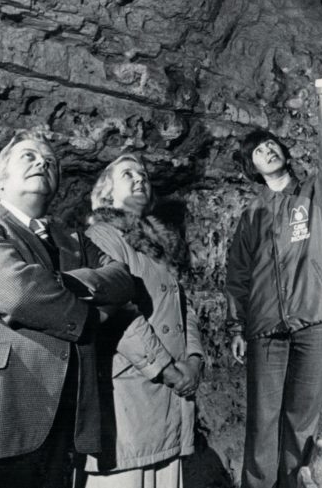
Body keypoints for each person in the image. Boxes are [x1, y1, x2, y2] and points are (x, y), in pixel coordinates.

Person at [0, 128, 134, 488]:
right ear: (0, 176)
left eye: (50, 162)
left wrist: (65, 282)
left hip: (60, 424)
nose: (41, 163)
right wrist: (92, 316)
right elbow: (18, 292)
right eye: (29, 156)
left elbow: (122, 278)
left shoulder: (74, 241)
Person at [225, 110, 322, 488]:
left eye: (270, 144)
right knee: (262, 421)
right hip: (265, 330)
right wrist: (236, 325)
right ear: (251, 167)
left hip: (314, 325)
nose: (267, 151)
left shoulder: (316, 195)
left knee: (301, 421)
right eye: (257, 151)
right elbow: (238, 275)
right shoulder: (251, 215)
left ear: (284, 150)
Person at [83, 153, 205, 487]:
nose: (139, 178)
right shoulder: (102, 237)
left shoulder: (162, 245)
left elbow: (184, 308)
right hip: (133, 390)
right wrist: (166, 369)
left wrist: (194, 360)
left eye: (144, 175)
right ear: (107, 193)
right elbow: (117, 311)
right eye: (127, 174)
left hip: (173, 391)